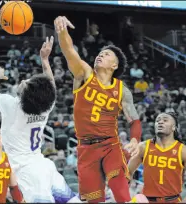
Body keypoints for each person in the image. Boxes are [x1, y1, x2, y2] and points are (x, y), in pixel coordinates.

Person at [54, 16, 146, 203]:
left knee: (119, 187)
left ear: (114, 65)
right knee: (95, 200)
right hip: (86, 148)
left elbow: (134, 120)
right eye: (100, 53)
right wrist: (62, 31)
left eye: (106, 55)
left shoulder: (122, 90)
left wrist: (135, 139)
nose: (100, 55)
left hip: (110, 144)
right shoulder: (84, 74)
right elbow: (69, 50)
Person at [0, 37, 81, 203]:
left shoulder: (11, 106)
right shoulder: (46, 106)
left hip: (27, 173)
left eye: (26, 83)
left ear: (23, 96)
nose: (23, 80)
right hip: (44, 165)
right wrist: (44, 60)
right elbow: (50, 85)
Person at [128, 112, 186, 203]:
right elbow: (128, 172)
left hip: (173, 200)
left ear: (174, 127)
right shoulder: (143, 147)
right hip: (148, 200)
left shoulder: (183, 151)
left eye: (165, 120)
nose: (160, 122)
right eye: (157, 121)